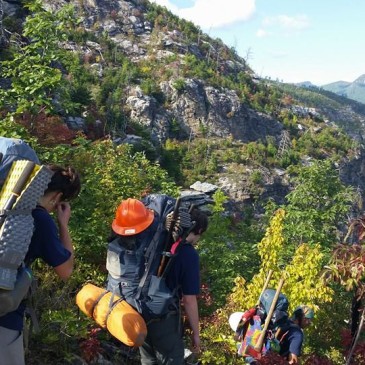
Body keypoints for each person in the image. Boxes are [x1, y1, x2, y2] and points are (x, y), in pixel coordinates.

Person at [0, 165, 81, 365]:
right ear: (57, 197)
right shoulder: (40, 218)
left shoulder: (6, 206)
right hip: (5, 319)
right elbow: (66, 270)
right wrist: (63, 224)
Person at [139, 207, 209, 365]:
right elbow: (189, 299)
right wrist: (196, 334)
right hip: (164, 318)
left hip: (140, 310)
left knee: (148, 360)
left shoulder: (158, 242)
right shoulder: (188, 254)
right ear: (198, 230)